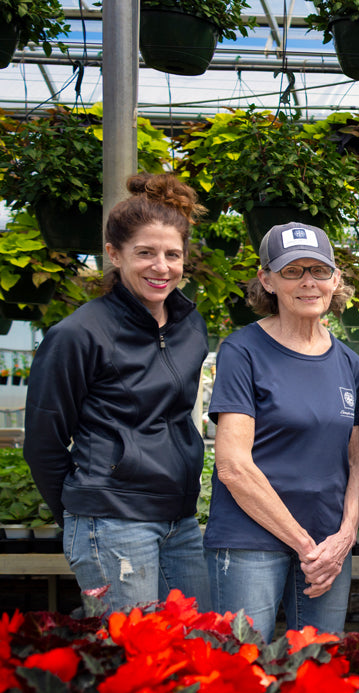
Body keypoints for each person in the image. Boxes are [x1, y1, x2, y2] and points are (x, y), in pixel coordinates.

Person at [24, 173, 211, 613]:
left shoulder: (190, 327)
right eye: (144, 253)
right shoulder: (78, 334)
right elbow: (43, 443)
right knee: (131, 663)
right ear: (114, 254)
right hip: (111, 518)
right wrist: (81, 512)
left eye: (172, 254)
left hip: (179, 519)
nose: (161, 267)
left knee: (198, 650)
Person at [206, 223, 359, 635]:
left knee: (319, 669)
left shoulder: (348, 361)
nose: (308, 282)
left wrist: (346, 535)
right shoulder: (242, 351)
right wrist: (304, 544)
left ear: (335, 279)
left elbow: (358, 458)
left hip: (328, 544)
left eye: (318, 270)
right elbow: (232, 466)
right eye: (293, 271)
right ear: (267, 280)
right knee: (242, 669)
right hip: (250, 540)